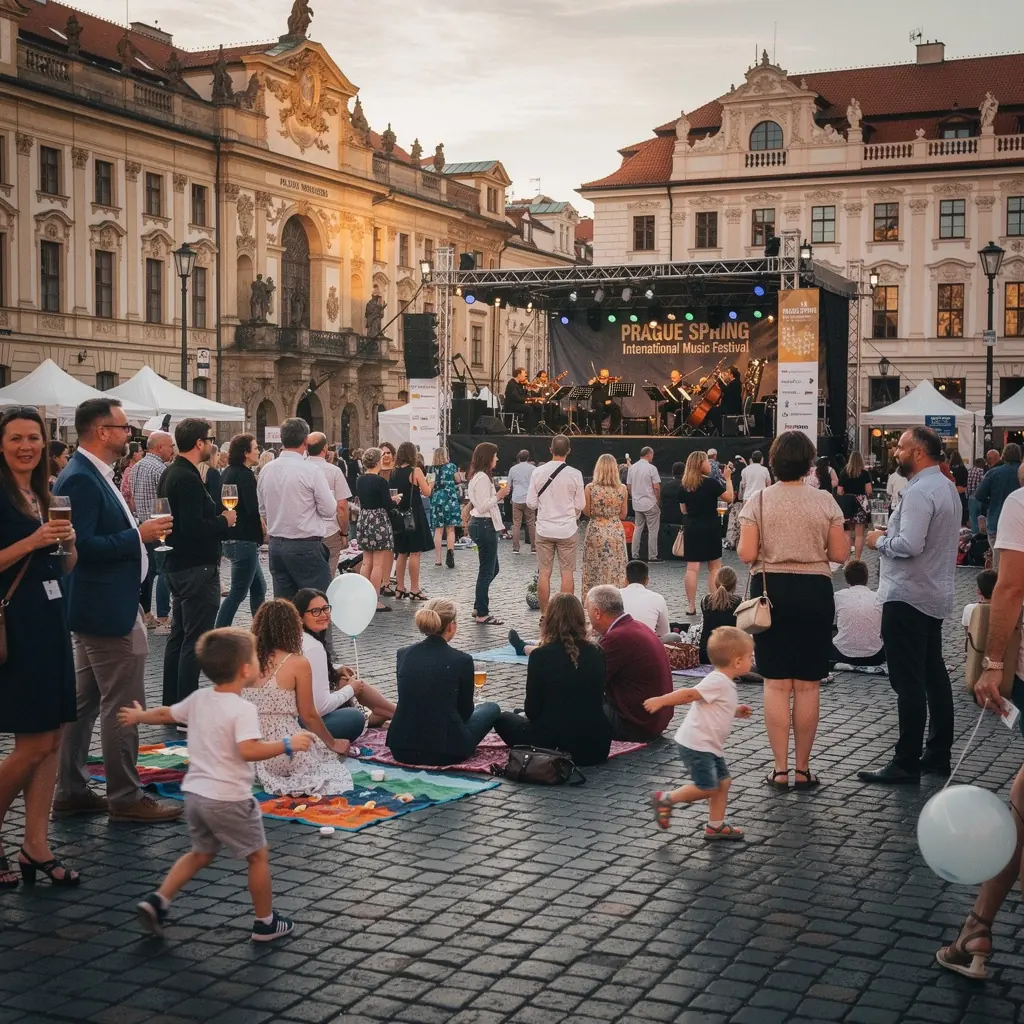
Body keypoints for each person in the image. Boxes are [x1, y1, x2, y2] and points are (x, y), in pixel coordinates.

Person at [120, 628, 310, 942]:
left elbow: (168, 713)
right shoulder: (243, 709)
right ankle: (265, 922)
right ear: (245, 670)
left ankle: (158, 901)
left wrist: (140, 717)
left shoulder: (199, 699)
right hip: (229, 798)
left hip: (195, 795)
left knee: (201, 852)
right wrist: (287, 744)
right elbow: (248, 750)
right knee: (257, 855)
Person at [54, 397, 180, 823]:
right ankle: (125, 796)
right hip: (106, 607)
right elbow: (81, 547)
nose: (131, 435)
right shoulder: (82, 480)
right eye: (124, 428)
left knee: (84, 701)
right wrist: (137, 536)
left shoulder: (95, 474)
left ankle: (70, 788)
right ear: (101, 431)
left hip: (106, 603)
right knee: (122, 703)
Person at [937, 485, 1024, 979]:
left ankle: (977, 928)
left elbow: (1009, 588)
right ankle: (977, 927)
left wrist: (992, 663)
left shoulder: (1020, 504)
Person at [737, 431, 848, 790]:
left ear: (774, 461)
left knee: (775, 682)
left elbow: (747, 555)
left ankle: (780, 769)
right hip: (814, 591)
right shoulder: (826, 501)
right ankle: (803, 770)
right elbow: (840, 555)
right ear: (809, 463)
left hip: (772, 592)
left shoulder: (759, 501)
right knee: (808, 685)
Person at [0, 408, 80, 889]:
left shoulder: (44, 493)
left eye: (34, 437)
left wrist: (67, 545)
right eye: (15, 439)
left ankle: (36, 844)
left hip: (50, 619)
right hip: (17, 624)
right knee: (30, 744)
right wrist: (33, 540)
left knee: (51, 740)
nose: (26, 446)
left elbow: (61, 566)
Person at [859, 426, 961, 784]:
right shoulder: (947, 487)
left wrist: (879, 540)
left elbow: (910, 544)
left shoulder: (920, 491)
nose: (895, 452)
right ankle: (936, 753)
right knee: (934, 678)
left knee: (909, 682)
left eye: (900, 447)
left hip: (908, 596)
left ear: (918, 452)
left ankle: (906, 761)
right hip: (932, 594)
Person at [646, 627, 754, 840]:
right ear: (737, 661)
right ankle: (665, 798)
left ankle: (715, 826)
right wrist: (662, 700)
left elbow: (718, 705)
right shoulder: (717, 680)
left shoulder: (725, 682)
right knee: (707, 788)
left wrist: (736, 710)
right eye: (750, 657)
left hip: (709, 745)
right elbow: (689, 694)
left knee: (723, 783)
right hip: (697, 744)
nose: (752, 661)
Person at [159, 418, 237, 707]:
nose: (212, 444)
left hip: (178, 565)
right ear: (199, 443)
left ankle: (172, 704)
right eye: (209, 439)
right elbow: (191, 527)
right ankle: (186, 708)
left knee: (179, 637)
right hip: (196, 568)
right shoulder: (187, 477)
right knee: (194, 640)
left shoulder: (171, 472)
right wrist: (223, 520)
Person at [244, 600, 353, 794]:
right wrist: (333, 743)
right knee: (352, 720)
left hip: (246, 745)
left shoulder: (243, 657)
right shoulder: (297, 662)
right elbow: (309, 715)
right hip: (283, 746)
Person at [493, 594, 612, 766]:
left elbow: (532, 710)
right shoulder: (597, 651)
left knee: (503, 719)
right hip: (595, 745)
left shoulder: (541, 655)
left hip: (553, 745)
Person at [387, 599, 501, 765]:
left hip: (401, 746)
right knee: (491, 708)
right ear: (451, 626)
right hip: (446, 750)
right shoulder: (462, 660)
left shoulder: (403, 653)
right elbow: (465, 712)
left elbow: (410, 697)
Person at [293, 589, 395, 743]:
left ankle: (392, 712)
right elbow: (320, 707)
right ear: (300, 616)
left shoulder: (297, 638)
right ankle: (395, 714)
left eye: (326, 608)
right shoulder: (313, 647)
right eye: (315, 611)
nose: (324, 614)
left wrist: (335, 668)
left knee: (342, 677)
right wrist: (351, 689)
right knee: (354, 716)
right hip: (301, 724)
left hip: (297, 715)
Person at [257, 417, 337, 599]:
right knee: (317, 606)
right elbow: (330, 510)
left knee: (285, 610)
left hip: (277, 545)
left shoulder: (266, 470)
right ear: (305, 441)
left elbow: (262, 510)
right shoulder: (311, 471)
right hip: (305, 545)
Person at [586, 585, 673, 742]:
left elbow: (590, 682)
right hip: (656, 719)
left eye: (588, 611)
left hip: (636, 724)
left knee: (572, 702)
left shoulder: (616, 638)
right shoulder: (638, 626)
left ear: (597, 613)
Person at [527, 434, 586, 618]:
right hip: (567, 528)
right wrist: (571, 513)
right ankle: (565, 616)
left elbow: (530, 502)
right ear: (569, 451)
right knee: (567, 573)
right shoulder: (575, 474)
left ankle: (544, 615)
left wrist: (545, 508)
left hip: (544, 528)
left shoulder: (537, 472)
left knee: (544, 573)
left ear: (550, 450)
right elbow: (581, 504)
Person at [216, 434, 266, 628]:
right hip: (243, 539)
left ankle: (261, 630)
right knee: (237, 592)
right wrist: (262, 524)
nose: (258, 451)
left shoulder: (227, 471)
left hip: (235, 538)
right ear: (246, 453)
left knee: (259, 587)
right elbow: (253, 507)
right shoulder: (245, 475)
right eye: (255, 448)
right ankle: (219, 633)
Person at [678, 450, 733, 616]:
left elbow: (683, 510)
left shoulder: (684, 485)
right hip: (711, 526)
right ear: (701, 464)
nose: (709, 465)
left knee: (692, 568)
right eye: (707, 462)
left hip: (693, 527)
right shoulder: (712, 483)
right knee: (714, 567)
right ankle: (715, 602)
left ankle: (691, 606)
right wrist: (728, 479)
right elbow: (729, 498)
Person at [132, 430, 174, 632]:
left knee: (147, 572)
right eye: (170, 446)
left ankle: (146, 613)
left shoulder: (137, 466)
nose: (172, 450)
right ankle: (164, 615)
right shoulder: (160, 469)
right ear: (159, 447)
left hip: (142, 525)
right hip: (159, 527)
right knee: (165, 570)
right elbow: (167, 501)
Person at [467, 442, 509, 626]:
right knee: (486, 571)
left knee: (493, 568)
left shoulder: (477, 476)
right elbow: (483, 505)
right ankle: (482, 613)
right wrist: (499, 496)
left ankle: (478, 603)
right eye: (495, 455)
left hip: (480, 524)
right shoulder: (482, 478)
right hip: (484, 524)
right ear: (487, 457)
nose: (497, 459)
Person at [355, 448, 397, 613]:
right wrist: (394, 501)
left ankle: (363, 597)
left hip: (364, 518)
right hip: (378, 519)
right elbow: (387, 504)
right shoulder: (380, 482)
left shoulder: (360, 479)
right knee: (378, 564)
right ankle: (374, 599)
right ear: (378, 461)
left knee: (366, 562)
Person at [392, 441, 433, 601]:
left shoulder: (394, 472)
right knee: (415, 553)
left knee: (401, 553)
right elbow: (427, 492)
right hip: (413, 515)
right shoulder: (415, 471)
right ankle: (415, 589)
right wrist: (431, 484)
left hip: (399, 516)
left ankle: (399, 587)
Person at [582, 453, 628, 595]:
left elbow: (587, 512)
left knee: (594, 566)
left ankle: (594, 599)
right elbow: (623, 514)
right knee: (616, 567)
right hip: (615, 530)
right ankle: (616, 598)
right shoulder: (622, 489)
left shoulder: (590, 488)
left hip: (596, 529)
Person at [306, 432, 351, 578]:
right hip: (329, 532)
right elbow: (342, 507)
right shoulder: (334, 471)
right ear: (325, 448)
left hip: (303, 532)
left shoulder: (299, 469)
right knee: (327, 578)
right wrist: (344, 533)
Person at [830, 560, 885, 668]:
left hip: (842, 654)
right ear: (867, 578)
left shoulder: (838, 596)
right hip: (875, 656)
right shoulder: (879, 597)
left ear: (846, 579)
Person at [975, 443, 1022, 568]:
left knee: (999, 562)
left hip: (996, 521)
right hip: (1019, 523)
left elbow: (979, 494)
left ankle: (998, 583)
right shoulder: (1021, 472)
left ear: (1003, 456)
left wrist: (992, 502)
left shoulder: (993, 473)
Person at [698, 566, 741, 666]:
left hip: (706, 654)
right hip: (730, 656)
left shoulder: (705, 600)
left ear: (716, 582)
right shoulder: (739, 602)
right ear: (734, 584)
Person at [620, 560, 671, 640]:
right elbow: (664, 632)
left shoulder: (615, 595)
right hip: (647, 646)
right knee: (675, 637)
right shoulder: (658, 598)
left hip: (618, 643)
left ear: (626, 580)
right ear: (647, 580)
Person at [837, 450, 873, 560]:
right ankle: (857, 559)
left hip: (847, 504)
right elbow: (869, 490)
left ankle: (847, 561)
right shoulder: (865, 473)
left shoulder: (843, 472)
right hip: (860, 505)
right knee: (859, 534)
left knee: (847, 533)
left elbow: (839, 491)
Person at [627, 446, 661, 562]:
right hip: (649, 502)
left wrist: (634, 496)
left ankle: (634, 554)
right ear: (649, 454)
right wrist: (657, 500)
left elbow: (629, 486)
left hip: (637, 503)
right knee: (653, 529)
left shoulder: (632, 468)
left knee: (638, 527)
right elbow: (656, 487)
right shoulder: (652, 468)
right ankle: (652, 555)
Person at [430, 447, 462, 567]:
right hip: (450, 498)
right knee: (450, 529)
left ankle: (438, 559)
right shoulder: (452, 466)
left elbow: (430, 485)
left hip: (437, 498)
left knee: (438, 530)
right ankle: (450, 552)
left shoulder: (431, 468)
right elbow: (458, 480)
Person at [506, 450, 536, 555]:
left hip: (516, 499)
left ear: (518, 458)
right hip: (529, 499)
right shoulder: (533, 469)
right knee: (531, 523)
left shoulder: (513, 469)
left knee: (516, 524)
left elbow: (508, 485)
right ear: (528, 458)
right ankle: (534, 548)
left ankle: (516, 548)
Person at [962, 568, 998, 636]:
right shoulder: (1007, 611)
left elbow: (967, 634)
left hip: (976, 646)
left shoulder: (969, 609)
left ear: (979, 591)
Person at [661, 461, 686, 558]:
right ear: (684, 472)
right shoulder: (685, 486)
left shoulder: (666, 486)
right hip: (682, 518)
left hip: (666, 517)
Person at [504, 367, 539, 432]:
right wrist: (528, 400)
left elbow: (522, 395)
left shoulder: (519, 384)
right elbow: (517, 398)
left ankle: (535, 427)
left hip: (517, 404)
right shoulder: (512, 384)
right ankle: (529, 429)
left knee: (536, 406)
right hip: (511, 406)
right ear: (519, 375)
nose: (525, 377)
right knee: (528, 408)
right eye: (524, 375)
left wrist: (528, 391)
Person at [589, 369, 621, 435]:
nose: (603, 377)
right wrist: (591, 384)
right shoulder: (596, 384)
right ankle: (599, 432)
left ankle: (613, 429)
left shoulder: (610, 384)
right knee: (599, 405)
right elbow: (596, 397)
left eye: (605, 376)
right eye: (602, 375)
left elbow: (612, 395)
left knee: (616, 408)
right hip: (598, 405)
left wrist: (615, 384)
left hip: (607, 405)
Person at [949, 449, 969, 526]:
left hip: (952, 492)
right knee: (962, 510)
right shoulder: (964, 469)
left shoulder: (950, 469)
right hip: (962, 491)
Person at [966, 456, 986, 532]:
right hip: (980, 498)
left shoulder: (969, 470)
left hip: (971, 498)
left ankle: (975, 536)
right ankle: (982, 536)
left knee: (973, 518)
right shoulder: (981, 471)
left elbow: (967, 485)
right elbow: (983, 484)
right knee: (982, 518)